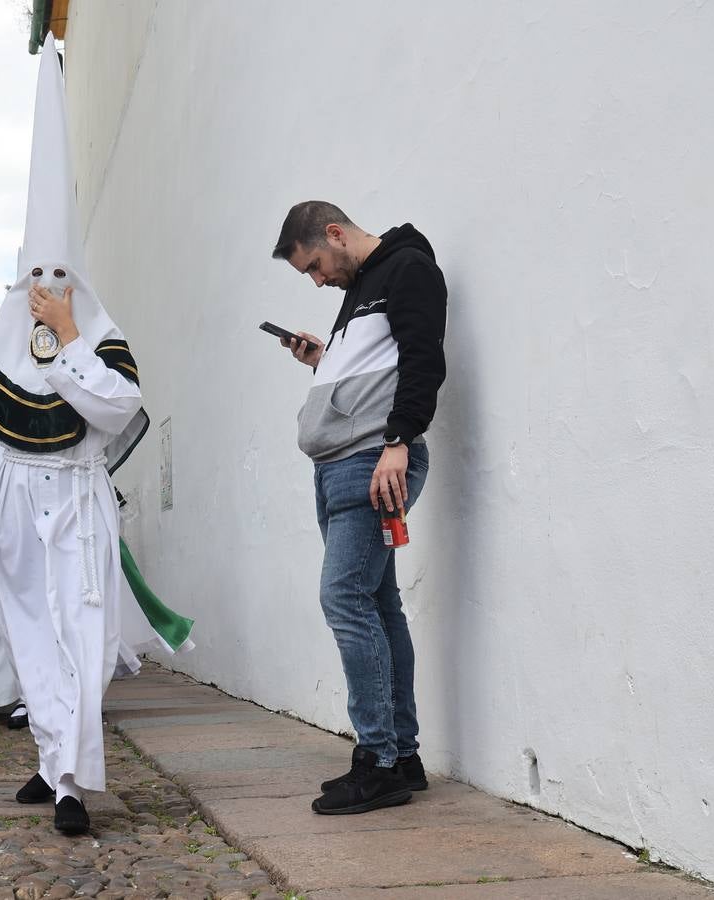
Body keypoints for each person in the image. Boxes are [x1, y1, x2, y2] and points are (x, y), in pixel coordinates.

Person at [0, 38, 150, 836]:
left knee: (85, 637)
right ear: (19, 282)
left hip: (80, 503)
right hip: (17, 505)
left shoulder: (100, 342)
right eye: (36, 279)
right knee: (32, 642)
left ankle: (67, 772)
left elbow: (115, 409)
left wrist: (72, 335)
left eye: (62, 276)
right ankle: (60, 767)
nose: (47, 292)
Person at [270, 200, 447, 815]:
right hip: (343, 467)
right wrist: (326, 360)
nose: (318, 280)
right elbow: (380, 366)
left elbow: (424, 361)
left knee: (343, 597)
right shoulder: (361, 293)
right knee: (377, 602)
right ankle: (402, 755)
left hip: (373, 462)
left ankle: (379, 762)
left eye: (316, 265)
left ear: (336, 234)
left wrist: (398, 442)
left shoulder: (407, 270)